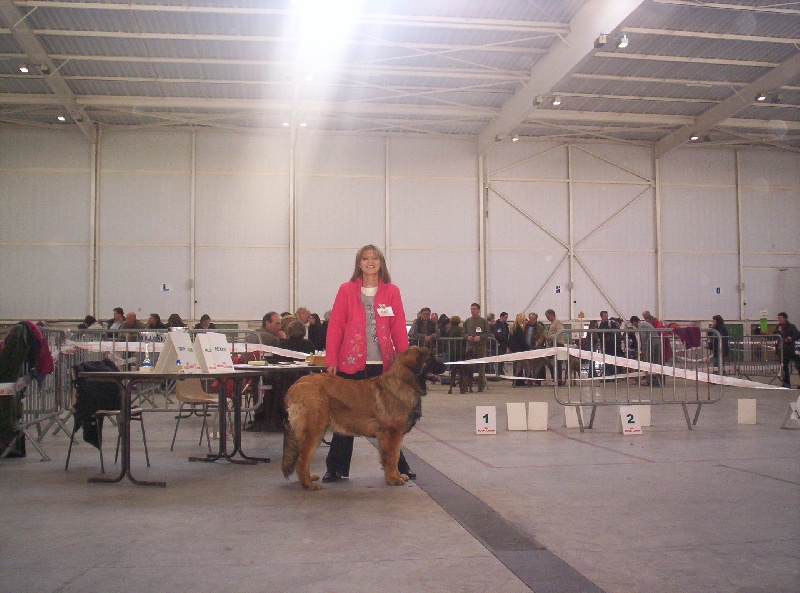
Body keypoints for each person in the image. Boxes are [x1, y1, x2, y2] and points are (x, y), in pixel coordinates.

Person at [322, 244, 414, 483]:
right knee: (346, 416)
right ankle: (336, 468)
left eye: (374, 258)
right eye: (365, 258)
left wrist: (405, 362)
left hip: (383, 364)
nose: (370, 262)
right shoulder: (346, 290)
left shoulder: (392, 291)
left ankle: (397, 467)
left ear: (381, 263)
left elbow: (398, 326)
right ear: (359, 263)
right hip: (350, 363)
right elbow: (336, 327)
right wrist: (331, 358)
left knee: (389, 419)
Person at [464, 303, 490, 392]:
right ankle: (468, 385)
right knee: (469, 366)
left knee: (481, 366)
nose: (472, 310)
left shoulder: (483, 321)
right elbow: (463, 333)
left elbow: (487, 333)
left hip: (481, 346)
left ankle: (481, 386)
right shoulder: (467, 321)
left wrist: (480, 337)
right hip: (470, 346)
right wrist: (467, 337)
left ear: (478, 310)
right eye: (471, 309)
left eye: (474, 309)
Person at [630, 315, 661, 386]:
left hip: (652, 343)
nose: (633, 326)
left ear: (634, 322)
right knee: (654, 361)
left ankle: (649, 380)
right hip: (655, 342)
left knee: (648, 361)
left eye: (633, 324)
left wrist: (643, 350)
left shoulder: (640, 326)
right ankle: (653, 378)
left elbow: (643, 338)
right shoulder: (644, 324)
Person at [773, 312, 800, 388]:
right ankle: (786, 383)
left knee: (798, 365)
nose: (779, 319)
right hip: (781, 350)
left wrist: (791, 338)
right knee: (784, 367)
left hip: (790, 349)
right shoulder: (778, 327)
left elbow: (797, 334)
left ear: (785, 318)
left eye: (780, 317)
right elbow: (774, 335)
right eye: (778, 318)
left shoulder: (791, 326)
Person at [508, 313, 529, 386]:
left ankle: (517, 380)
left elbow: (510, 339)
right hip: (519, 349)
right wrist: (528, 348)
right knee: (520, 366)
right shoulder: (519, 328)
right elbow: (521, 340)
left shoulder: (513, 327)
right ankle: (518, 381)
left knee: (516, 365)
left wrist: (510, 348)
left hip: (514, 349)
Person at [545, 309, 565, 385]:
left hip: (558, 344)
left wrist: (550, 336)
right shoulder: (552, 323)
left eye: (548, 316)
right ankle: (555, 378)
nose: (547, 318)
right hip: (553, 344)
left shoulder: (558, 322)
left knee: (558, 363)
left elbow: (560, 332)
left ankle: (559, 380)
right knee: (552, 363)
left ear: (552, 315)